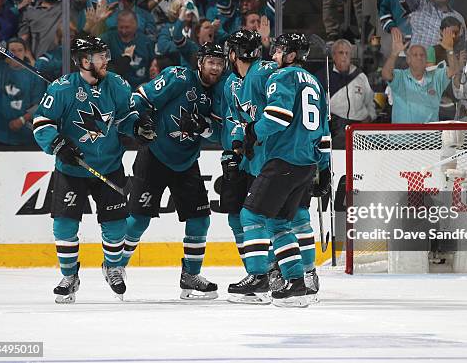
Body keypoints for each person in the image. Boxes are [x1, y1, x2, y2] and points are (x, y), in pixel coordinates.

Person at [32, 33, 156, 303]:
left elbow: (127, 116)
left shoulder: (117, 84)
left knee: (115, 225)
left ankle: (112, 267)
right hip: (73, 169)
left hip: (109, 165)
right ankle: (69, 276)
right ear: (85, 60)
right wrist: (58, 145)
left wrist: (138, 127)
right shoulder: (62, 88)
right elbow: (42, 123)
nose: (106, 60)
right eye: (101, 56)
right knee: (64, 225)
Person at [228, 33, 329, 307]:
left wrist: (252, 132)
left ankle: (258, 276)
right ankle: (297, 283)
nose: (273, 56)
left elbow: (277, 116)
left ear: (292, 55)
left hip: (284, 160)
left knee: (251, 214)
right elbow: (325, 132)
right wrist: (325, 168)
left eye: (279, 51)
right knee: (280, 222)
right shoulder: (316, 84)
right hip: (307, 164)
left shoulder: (283, 77)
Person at [123, 42, 224, 300]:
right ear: (200, 62)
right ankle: (115, 265)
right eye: (211, 62)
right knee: (138, 219)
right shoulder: (178, 77)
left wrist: (203, 127)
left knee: (200, 219)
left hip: (186, 161)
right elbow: (139, 98)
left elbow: (220, 133)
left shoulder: (220, 91)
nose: (216, 67)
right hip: (154, 155)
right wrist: (141, 121)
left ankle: (190, 275)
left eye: (220, 63)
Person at [220, 29, 278, 304]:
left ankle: (269, 275)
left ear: (233, 53)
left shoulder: (261, 72)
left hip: (273, 157)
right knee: (241, 216)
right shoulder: (234, 82)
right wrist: (235, 146)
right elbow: (235, 118)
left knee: (264, 217)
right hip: (252, 159)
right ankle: (266, 273)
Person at [0, 16, 46, 146]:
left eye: (20, 50)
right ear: (6, 52)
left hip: (26, 135)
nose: (16, 54)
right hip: (0, 134)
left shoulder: (34, 74)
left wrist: (23, 120)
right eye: (12, 50)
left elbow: (39, 104)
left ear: (25, 53)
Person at [381, 28, 459, 123]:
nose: (419, 57)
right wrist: (394, 53)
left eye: (422, 55)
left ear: (426, 59)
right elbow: (385, 74)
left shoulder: (436, 77)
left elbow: (454, 70)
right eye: (415, 55)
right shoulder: (400, 77)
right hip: (403, 137)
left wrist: (450, 50)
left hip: (429, 136)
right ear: (408, 60)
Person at [321, 39, 376, 146]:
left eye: (347, 53)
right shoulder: (325, 76)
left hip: (360, 129)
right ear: (334, 56)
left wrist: (370, 116)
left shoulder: (360, 76)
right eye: (341, 53)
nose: (345, 56)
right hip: (336, 129)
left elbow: (370, 102)